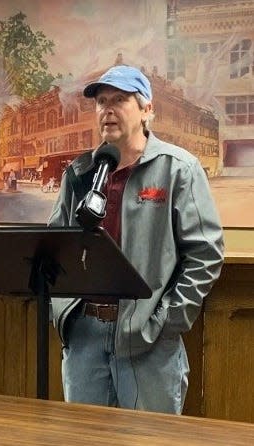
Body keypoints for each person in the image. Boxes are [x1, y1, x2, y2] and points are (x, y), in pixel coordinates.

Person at [48, 65, 224, 414]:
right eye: (101, 101)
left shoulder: (178, 169)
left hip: (148, 339)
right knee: (85, 439)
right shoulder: (79, 173)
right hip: (85, 336)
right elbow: (55, 248)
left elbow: (206, 254)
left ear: (147, 110)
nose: (107, 109)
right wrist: (64, 314)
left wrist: (164, 322)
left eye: (120, 99)